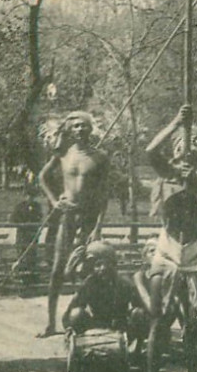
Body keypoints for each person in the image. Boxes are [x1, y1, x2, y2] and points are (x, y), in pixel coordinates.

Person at [141, 103, 197, 372]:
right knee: (158, 321)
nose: (186, 153)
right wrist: (176, 122)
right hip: (167, 253)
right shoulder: (167, 175)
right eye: (180, 148)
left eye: (192, 149)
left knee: (196, 323)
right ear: (174, 153)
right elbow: (149, 151)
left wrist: (195, 184)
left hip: (194, 258)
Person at [37, 111, 109, 338]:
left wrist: (98, 227)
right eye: (76, 126)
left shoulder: (100, 157)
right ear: (70, 130)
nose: (80, 130)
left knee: (89, 269)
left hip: (89, 217)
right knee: (58, 269)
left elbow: (105, 194)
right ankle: (50, 323)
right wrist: (53, 200)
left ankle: (86, 316)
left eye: (83, 126)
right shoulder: (63, 155)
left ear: (90, 129)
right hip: (68, 216)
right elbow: (42, 177)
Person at [61, 241, 132, 335]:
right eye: (98, 265)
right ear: (92, 267)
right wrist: (70, 326)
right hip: (98, 322)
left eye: (107, 264)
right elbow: (69, 315)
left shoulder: (123, 283)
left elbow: (135, 310)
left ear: (114, 265)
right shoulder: (89, 283)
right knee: (76, 314)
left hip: (120, 324)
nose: (103, 268)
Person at [10, 190, 43, 288]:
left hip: (32, 233)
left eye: (32, 196)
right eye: (29, 196)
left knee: (32, 254)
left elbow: (39, 217)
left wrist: (35, 225)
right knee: (22, 253)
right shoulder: (20, 206)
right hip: (23, 234)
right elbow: (13, 219)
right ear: (25, 196)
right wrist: (22, 223)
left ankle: (31, 277)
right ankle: (22, 276)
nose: (30, 198)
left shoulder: (37, 206)